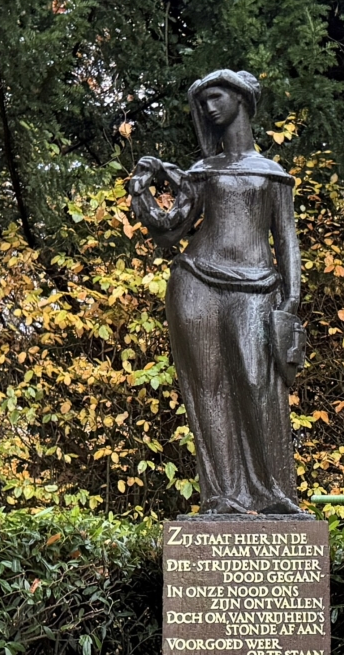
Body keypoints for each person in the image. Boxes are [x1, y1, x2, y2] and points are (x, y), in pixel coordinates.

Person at [130, 69, 309, 516]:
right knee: (207, 388)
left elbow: (286, 240)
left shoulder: (272, 175)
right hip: (196, 283)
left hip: (257, 288)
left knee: (256, 382)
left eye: (217, 97)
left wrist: (291, 301)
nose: (210, 108)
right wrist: (142, 187)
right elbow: (171, 233)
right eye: (203, 101)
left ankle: (273, 494)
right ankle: (221, 495)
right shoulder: (203, 171)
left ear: (241, 99)